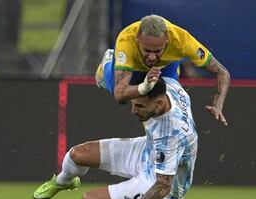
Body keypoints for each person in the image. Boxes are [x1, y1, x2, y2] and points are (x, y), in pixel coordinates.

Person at [34, 76, 198, 199]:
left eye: (139, 105)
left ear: (160, 103)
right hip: (148, 149)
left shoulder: (170, 135)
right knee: (77, 154)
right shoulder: (170, 85)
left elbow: (163, 186)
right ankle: (63, 182)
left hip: (159, 181)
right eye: (133, 103)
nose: (133, 110)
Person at [95, 14, 230, 126]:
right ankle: (109, 61)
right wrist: (144, 87)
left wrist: (218, 105)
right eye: (147, 50)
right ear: (137, 39)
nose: (152, 57)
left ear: (167, 40)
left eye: (157, 51)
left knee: (167, 103)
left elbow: (222, 72)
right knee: (119, 95)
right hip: (133, 66)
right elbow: (120, 95)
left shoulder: (183, 40)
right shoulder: (126, 41)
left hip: (166, 66)